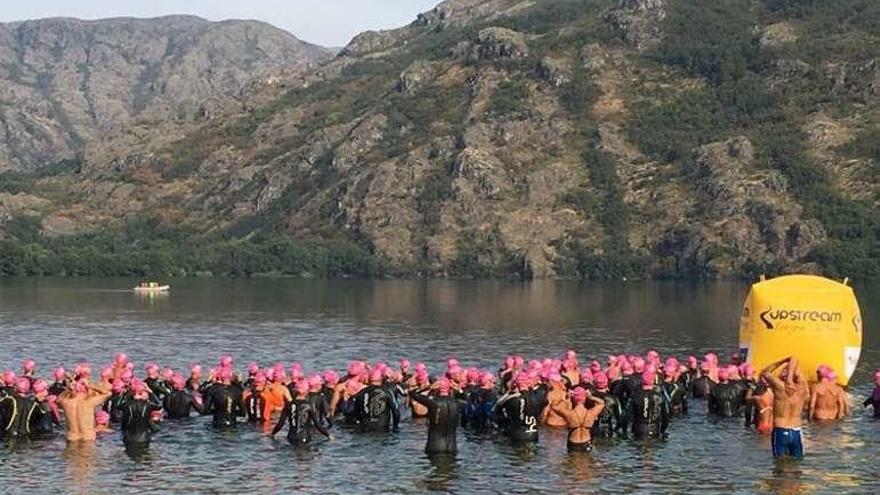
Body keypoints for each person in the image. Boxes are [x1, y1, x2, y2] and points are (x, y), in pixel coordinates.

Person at [761, 357, 808, 460]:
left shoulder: (779, 386)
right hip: (796, 431)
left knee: (780, 464)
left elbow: (765, 372)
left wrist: (783, 360)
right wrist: (791, 373)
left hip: (781, 430)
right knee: (797, 464)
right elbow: (795, 359)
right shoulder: (803, 388)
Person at [410, 378, 466, 455]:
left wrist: (428, 387)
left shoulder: (433, 403)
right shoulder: (457, 403)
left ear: (436, 389)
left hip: (434, 447)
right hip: (452, 448)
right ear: (450, 389)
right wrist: (460, 390)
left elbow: (413, 394)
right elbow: (468, 400)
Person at [271, 380, 329, 447]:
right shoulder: (309, 405)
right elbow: (317, 425)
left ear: (295, 391)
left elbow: (280, 424)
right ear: (306, 391)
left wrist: (272, 434)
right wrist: (328, 435)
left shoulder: (288, 405)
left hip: (291, 437)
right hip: (305, 437)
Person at [552, 387, 604, 452]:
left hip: (573, 442)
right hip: (586, 441)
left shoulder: (569, 414)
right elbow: (601, 403)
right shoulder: (591, 413)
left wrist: (564, 397)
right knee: (587, 461)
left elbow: (553, 406)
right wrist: (590, 397)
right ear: (585, 399)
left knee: (571, 461)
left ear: (573, 399)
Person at [629, 371, 669, 439]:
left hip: (639, 429)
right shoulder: (660, 396)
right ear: (653, 380)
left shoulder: (635, 396)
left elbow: (627, 416)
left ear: (642, 380)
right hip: (655, 429)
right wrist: (662, 431)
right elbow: (666, 417)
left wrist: (625, 431)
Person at [120, 380, 161, 446]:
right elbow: (159, 405)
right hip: (144, 438)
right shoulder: (148, 405)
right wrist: (151, 392)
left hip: (129, 438)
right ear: (142, 393)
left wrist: (125, 393)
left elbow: (118, 405)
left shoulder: (127, 405)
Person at [591, 372, 623, 438]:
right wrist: (616, 429)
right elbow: (620, 418)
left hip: (594, 429)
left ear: (594, 384)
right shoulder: (613, 398)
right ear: (606, 384)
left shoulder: (591, 398)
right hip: (608, 429)